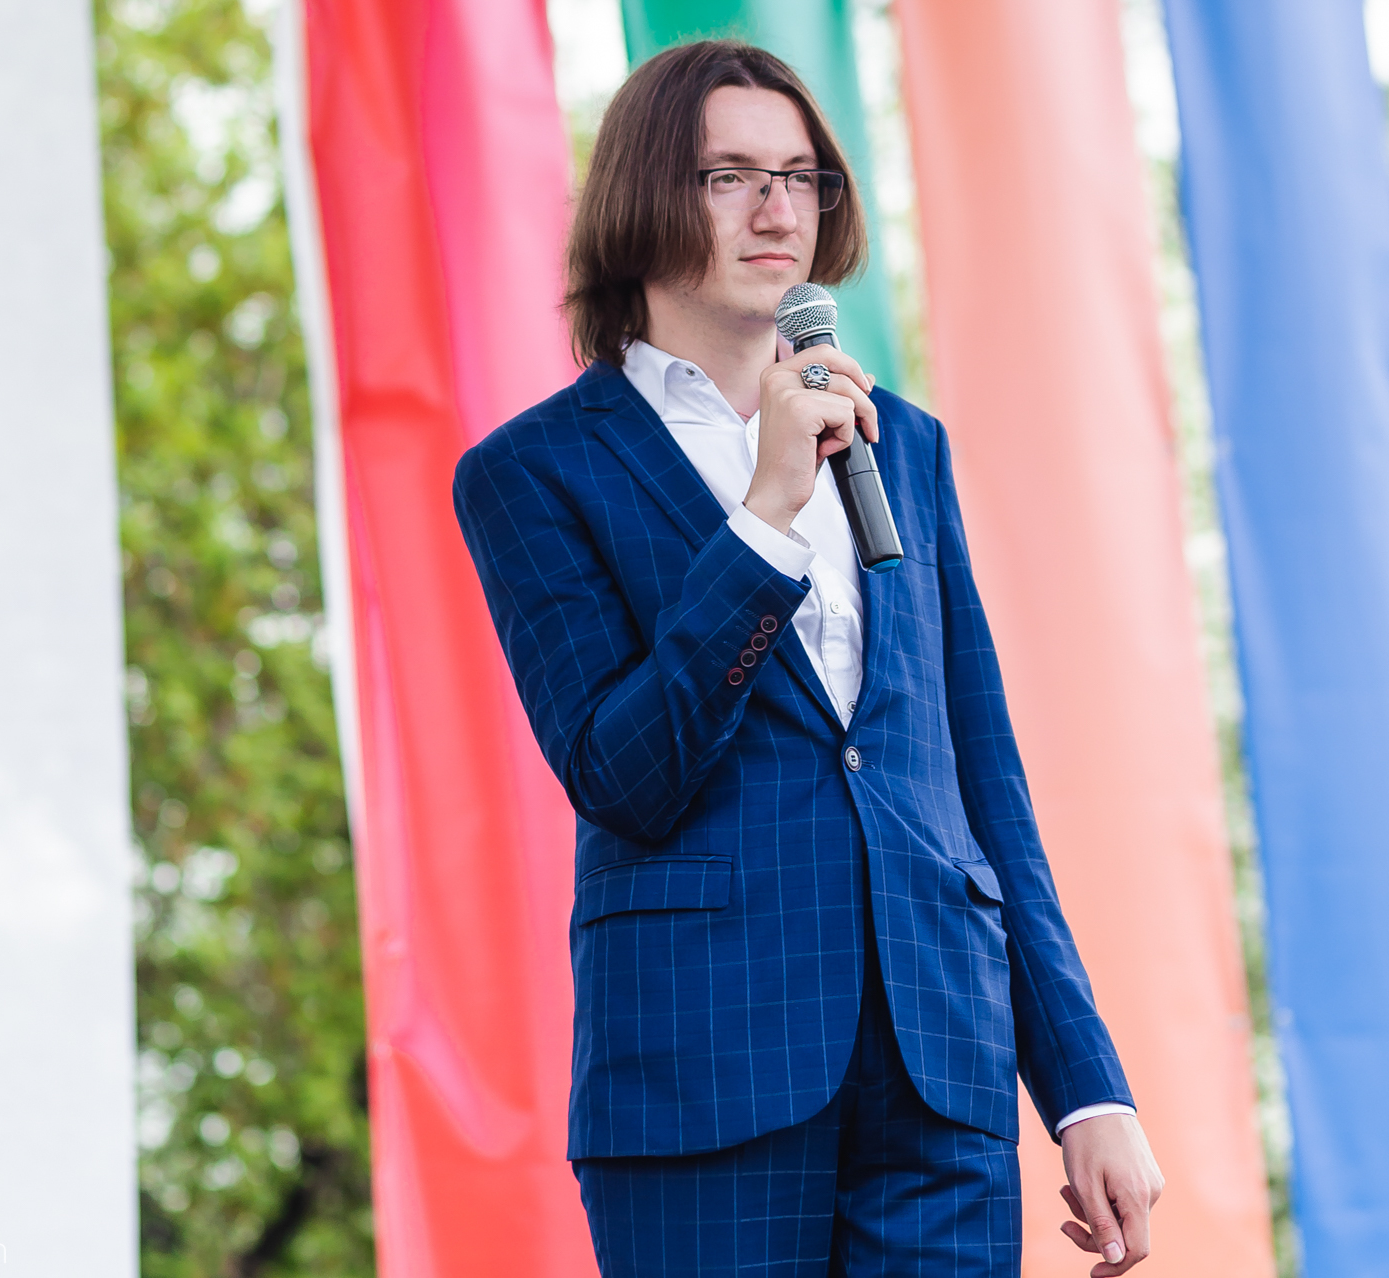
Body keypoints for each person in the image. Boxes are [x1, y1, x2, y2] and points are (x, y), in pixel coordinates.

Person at [453, 40, 1162, 1277]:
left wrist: (1088, 1088)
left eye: (801, 177)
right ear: (642, 197)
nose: (779, 210)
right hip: (703, 1072)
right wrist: (766, 517)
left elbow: (982, 783)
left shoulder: (905, 446)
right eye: (731, 176)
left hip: (940, 1069)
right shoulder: (534, 471)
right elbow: (623, 776)